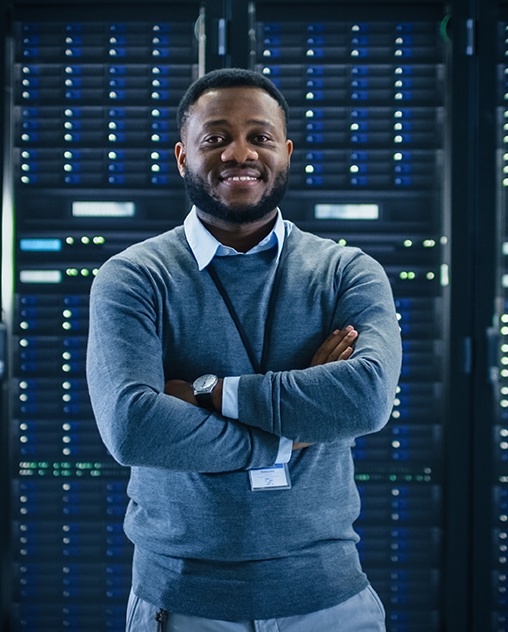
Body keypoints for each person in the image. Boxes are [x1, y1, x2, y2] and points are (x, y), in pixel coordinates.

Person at [86, 67, 402, 631]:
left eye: (259, 137)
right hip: (184, 607)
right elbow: (133, 426)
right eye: (216, 138)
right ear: (183, 156)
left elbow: (366, 399)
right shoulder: (133, 278)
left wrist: (210, 393)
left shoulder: (347, 272)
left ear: (285, 152)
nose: (239, 153)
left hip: (332, 607)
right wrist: (291, 432)